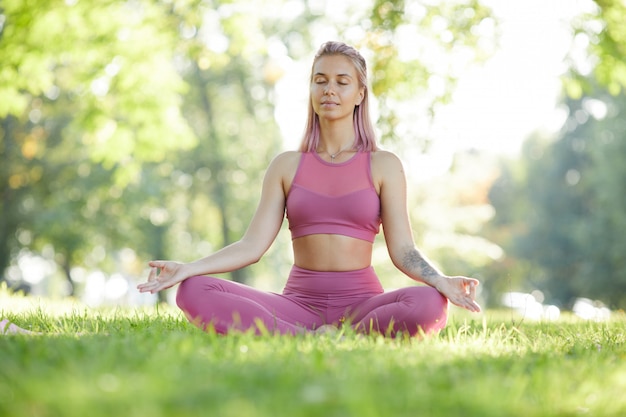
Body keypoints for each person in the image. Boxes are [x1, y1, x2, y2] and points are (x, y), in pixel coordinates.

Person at [137, 41, 481, 337]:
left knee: (429, 303)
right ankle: (309, 337)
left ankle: (336, 334)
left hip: (363, 305)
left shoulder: (383, 165)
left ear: (360, 94)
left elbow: (403, 249)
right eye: (320, 81)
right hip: (297, 305)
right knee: (194, 290)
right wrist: (188, 268)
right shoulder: (286, 165)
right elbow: (252, 245)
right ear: (312, 90)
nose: (329, 89)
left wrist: (440, 280)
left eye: (341, 82)